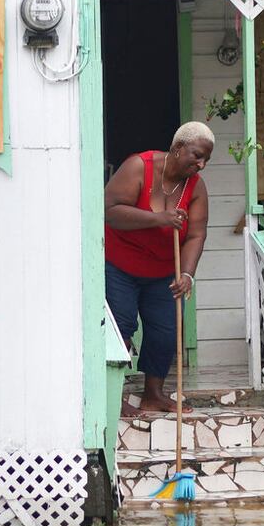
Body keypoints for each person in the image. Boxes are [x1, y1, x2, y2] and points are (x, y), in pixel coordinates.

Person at [104, 121, 214, 413]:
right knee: (121, 326)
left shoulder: (196, 187)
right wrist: (158, 219)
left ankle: (154, 393)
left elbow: (196, 234)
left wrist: (187, 274)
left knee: (166, 330)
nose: (201, 164)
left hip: (164, 271)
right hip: (121, 265)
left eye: (206, 159)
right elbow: (110, 212)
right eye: (197, 155)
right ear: (178, 148)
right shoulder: (138, 167)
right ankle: (111, 395)